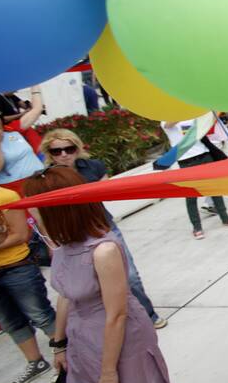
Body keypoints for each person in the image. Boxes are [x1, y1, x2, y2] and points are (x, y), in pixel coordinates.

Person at [24, 167, 187, 383]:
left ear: (60, 208)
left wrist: (109, 369)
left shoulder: (104, 249)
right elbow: (65, 297)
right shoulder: (60, 247)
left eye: (36, 206)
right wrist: (59, 344)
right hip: (81, 336)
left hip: (122, 339)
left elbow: (117, 315)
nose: (31, 213)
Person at [39, 129, 166, 328]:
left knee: (130, 275)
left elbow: (107, 193)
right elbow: (41, 212)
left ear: (77, 148)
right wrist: (50, 241)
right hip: (70, 235)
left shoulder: (93, 166)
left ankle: (148, 315)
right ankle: (112, 320)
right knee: (84, 284)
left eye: (69, 149)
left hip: (102, 227)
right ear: (49, 153)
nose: (64, 154)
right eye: (57, 151)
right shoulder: (45, 178)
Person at [0, 184, 57, 383]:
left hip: (16, 267)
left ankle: (68, 355)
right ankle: (36, 362)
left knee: (40, 315)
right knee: (9, 322)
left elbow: (21, 235)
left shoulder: (4, 196)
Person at [160, 120, 228, 240]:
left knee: (214, 190)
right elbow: (167, 125)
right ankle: (197, 227)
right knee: (191, 195)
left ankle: (226, 219)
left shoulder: (192, 117)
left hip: (204, 155)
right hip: (186, 160)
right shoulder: (166, 120)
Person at [0, 106, 43, 191]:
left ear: (1, 119)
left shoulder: (12, 128)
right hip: (15, 186)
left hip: (39, 177)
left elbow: (37, 110)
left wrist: (35, 91)